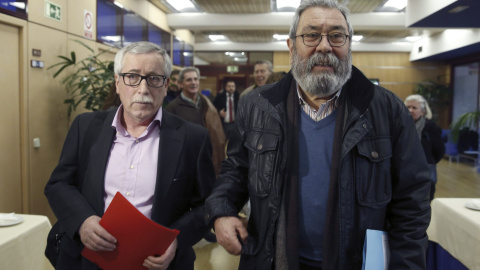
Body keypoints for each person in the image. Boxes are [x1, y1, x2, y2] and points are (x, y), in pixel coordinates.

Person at [205, 0, 432, 269]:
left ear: (349, 45)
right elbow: (236, 170)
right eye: (311, 35)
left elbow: (412, 201)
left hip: (356, 261)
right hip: (273, 258)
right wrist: (221, 211)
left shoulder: (387, 110)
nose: (324, 46)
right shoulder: (258, 106)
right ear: (291, 46)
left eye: (337, 36)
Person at [44, 41, 216, 270]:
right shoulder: (86, 128)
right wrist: (83, 221)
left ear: (166, 86)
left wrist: (175, 240)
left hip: (158, 263)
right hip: (91, 260)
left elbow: (207, 205)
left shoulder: (193, 138)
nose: (143, 89)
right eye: (132, 77)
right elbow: (59, 184)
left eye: (154, 78)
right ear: (117, 82)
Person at [167, 67, 225, 176]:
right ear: (181, 83)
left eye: (195, 79)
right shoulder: (173, 108)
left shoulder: (208, 103)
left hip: (209, 158)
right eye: (189, 80)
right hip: (188, 165)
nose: (193, 82)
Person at [405, 94, 446, 201]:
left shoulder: (430, 127)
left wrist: (428, 161)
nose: (410, 110)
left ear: (423, 112)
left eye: (414, 107)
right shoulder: (400, 126)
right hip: (404, 170)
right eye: (408, 107)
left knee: (424, 201)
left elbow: (439, 150)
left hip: (425, 170)